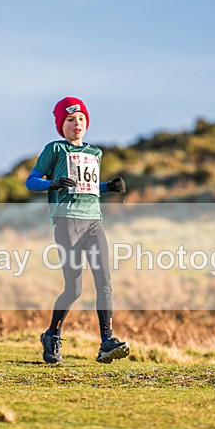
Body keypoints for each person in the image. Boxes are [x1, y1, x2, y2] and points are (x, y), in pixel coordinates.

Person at [25, 96, 129, 365]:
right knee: (74, 289)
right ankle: (51, 335)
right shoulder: (55, 149)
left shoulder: (95, 153)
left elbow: (88, 187)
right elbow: (31, 181)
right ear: (62, 124)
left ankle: (107, 342)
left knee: (104, 280)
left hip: (94, 221)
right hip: (66, 222)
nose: (77, 124)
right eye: (70, 119)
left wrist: (109, 187)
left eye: (81, 118)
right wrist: (53, 183)